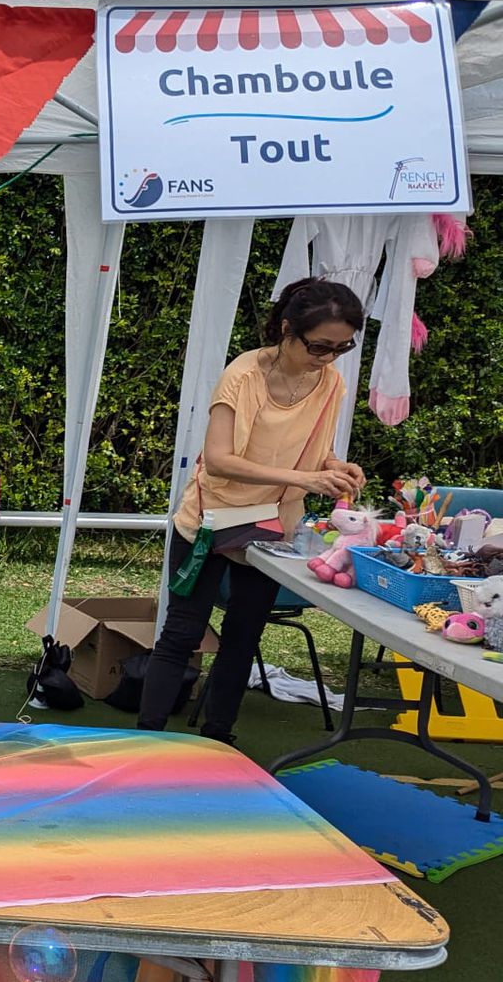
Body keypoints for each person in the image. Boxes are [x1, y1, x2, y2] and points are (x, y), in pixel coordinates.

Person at [137, 277, 367, 742]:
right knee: (182, 632)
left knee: (244, 637)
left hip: (271, 526)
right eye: (320, 346)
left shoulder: (331, 382)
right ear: (287, 329)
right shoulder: (243, 375)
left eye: (341, 348)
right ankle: (147, 739)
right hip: (209, 521)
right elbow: (219, 459)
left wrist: (335, 467)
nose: (328, 358)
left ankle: (218, 740)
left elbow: (313, 450)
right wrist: (305, 479)